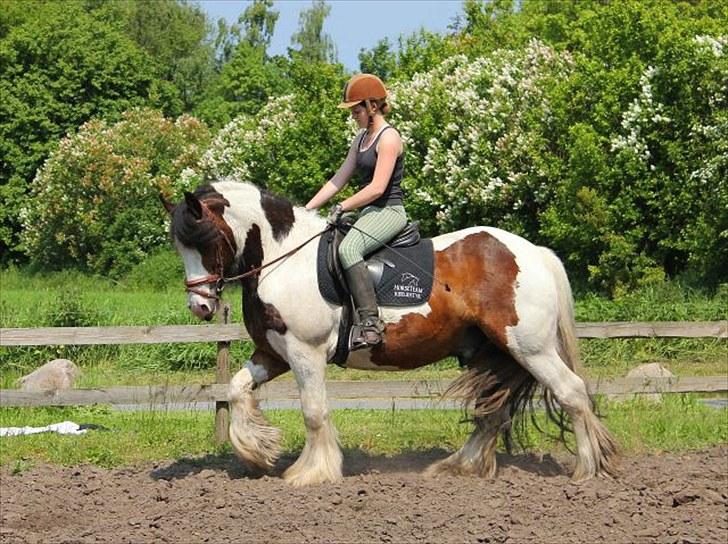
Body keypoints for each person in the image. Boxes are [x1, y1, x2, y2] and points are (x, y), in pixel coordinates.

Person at [305, 73, 407, 349]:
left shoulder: (389, 138)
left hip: (389, 211)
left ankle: (371, 324)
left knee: (348, 249)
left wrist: (342, 206)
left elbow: (377, 188)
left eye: (357, 110)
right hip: (368, 213)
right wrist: (305, 210)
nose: (353, 115)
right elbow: (338, 180)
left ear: (373, 107)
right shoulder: (361, 139)